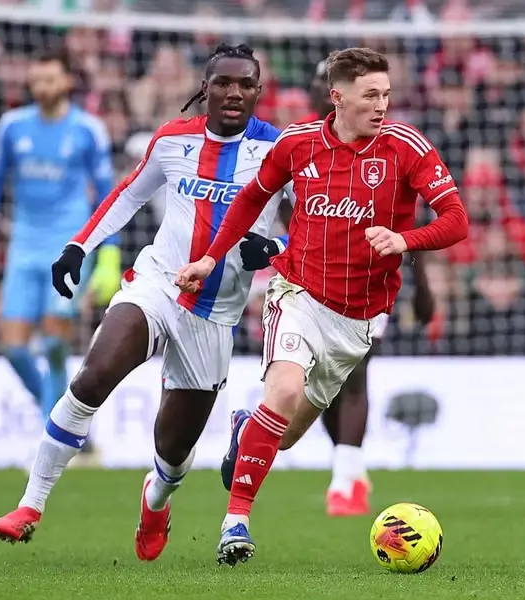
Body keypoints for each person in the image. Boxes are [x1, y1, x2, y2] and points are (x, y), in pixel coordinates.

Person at [0, 44, 291, 563]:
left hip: (215, 314)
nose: (234, 92)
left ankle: (156, 499)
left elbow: (314, 226)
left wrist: (276, 250)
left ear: (259, 92)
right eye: (223, 83)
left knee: (174, 454)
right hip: (157, 283)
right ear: (205, 87)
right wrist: (80, 244)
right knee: (91, 377)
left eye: (245, 84)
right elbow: (128, 193)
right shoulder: (173, 141)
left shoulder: (282, 150)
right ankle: (29, 506)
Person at [175, 47, 469, 565]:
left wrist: (407, 240)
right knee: (284, 389)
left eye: (387, 95)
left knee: (283, 438)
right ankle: (236, 522)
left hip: (356, 321)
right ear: (338, 97)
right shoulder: (297, 143)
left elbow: (455, 219)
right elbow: (250, 200)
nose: (382, 105)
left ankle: (248, 428)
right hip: (297, 294)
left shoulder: (407, 147)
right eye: (370, 95)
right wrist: (208, 259)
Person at [238, 59, 435, 517]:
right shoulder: (296, 146)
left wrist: (423, 289)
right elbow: (274, 214)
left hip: (368, 283)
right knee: (315, 384)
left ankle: (347, 476)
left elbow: (411, 221)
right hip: (305, 283)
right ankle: (345, 466)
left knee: (354, 371)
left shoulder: (383, 147)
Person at [0, 48, 120, 425]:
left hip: (68, 247)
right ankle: (63, 418)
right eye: (35, 80)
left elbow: (109, 195)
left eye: (49, 79)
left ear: (66, 81)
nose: (41, 86)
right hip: (24, 247)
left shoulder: (87, 130)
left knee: (53, 342)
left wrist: (109, 255)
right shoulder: (12, 127)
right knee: (14, 348)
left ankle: (52, 435)